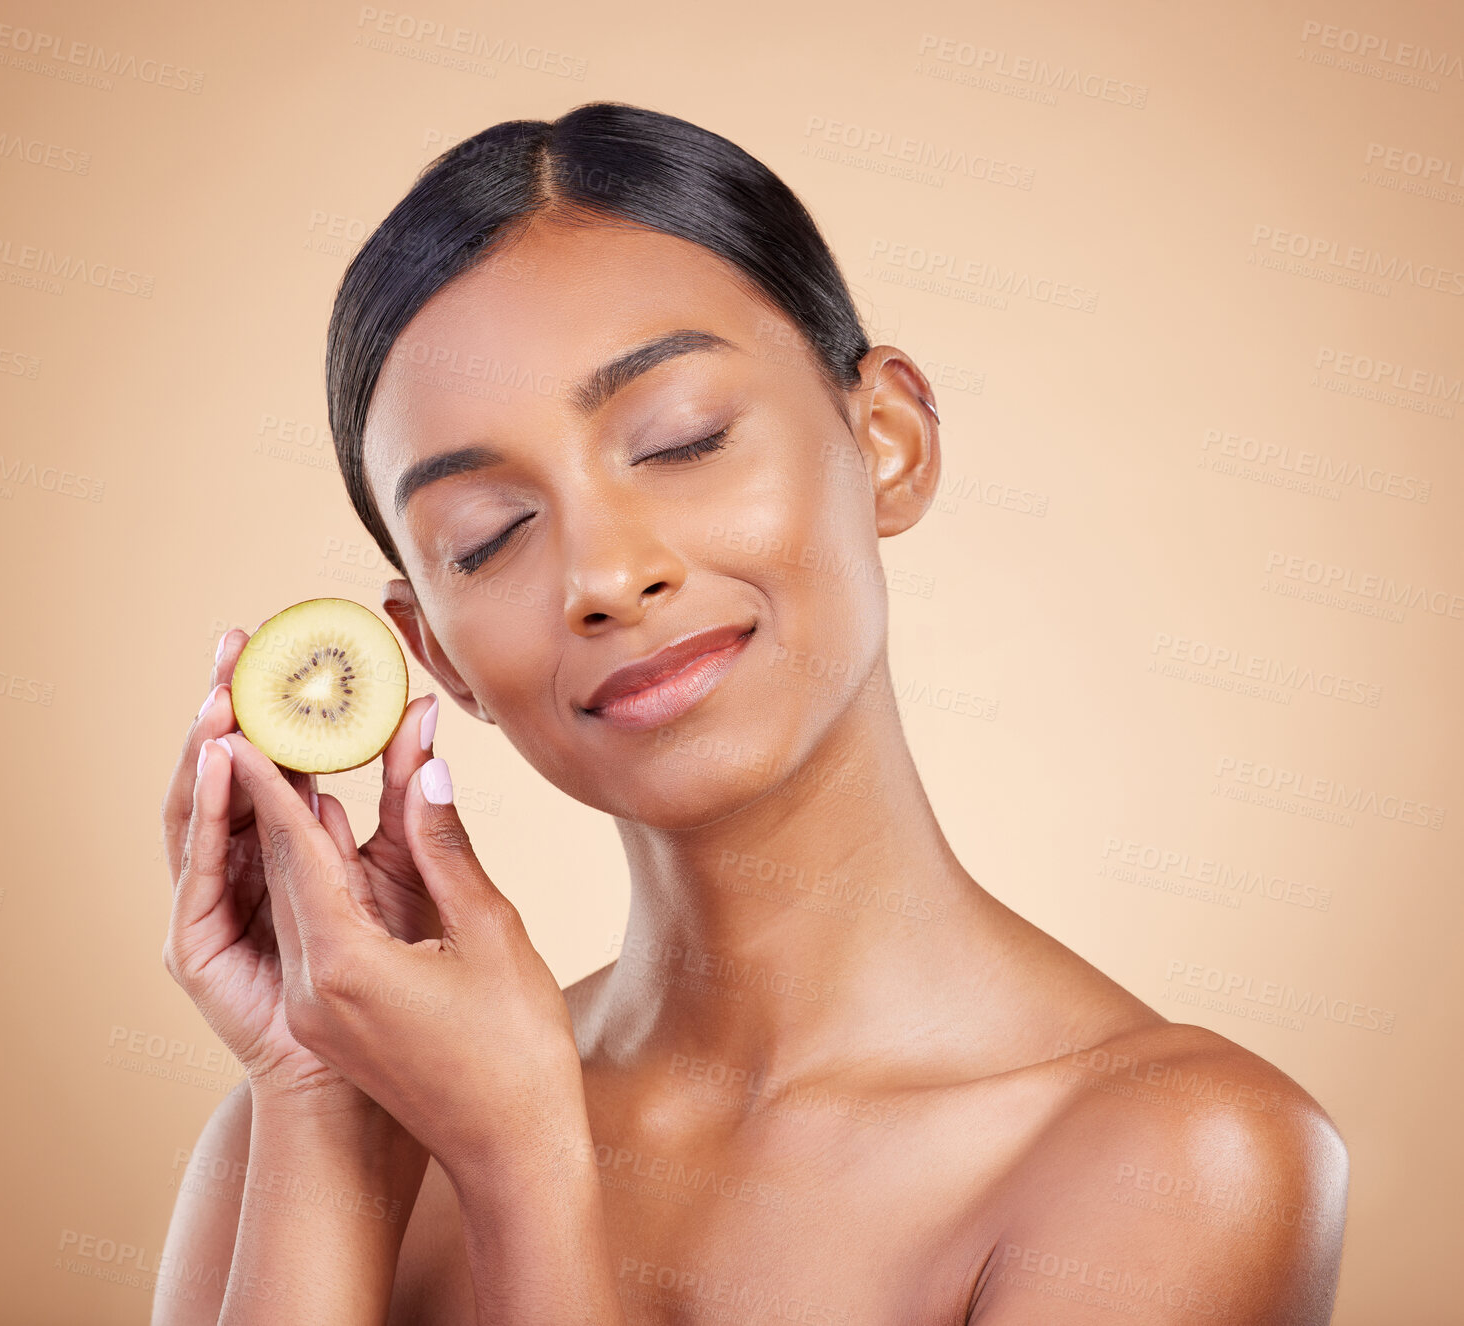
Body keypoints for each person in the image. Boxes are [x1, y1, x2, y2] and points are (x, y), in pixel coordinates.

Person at [156, 101, 1349, 1325]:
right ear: (436, 660)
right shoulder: (306, 1133)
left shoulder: (1183, 1159)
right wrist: (318, 1101)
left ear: (885, 441)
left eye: (680, 440)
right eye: (490, 536)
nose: (604, 577)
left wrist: (525, 1173)